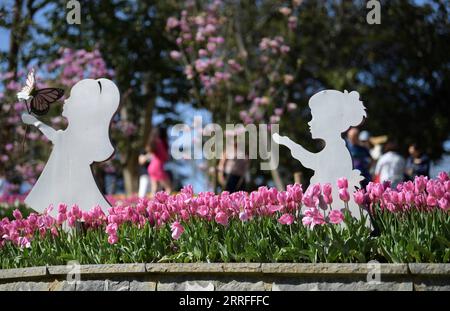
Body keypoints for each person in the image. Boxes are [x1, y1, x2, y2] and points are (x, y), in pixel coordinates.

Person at [21, 78, 119, 217]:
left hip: (76, 184)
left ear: (82, 107)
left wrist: (35, 122)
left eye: (71, 98)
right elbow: (55, 136)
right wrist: (35, 122)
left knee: (79, 211)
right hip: (69, 185)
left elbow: (54, 136)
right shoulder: (69, 136)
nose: (65, 100)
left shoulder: (78, 137)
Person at [273, 90, 367, 218]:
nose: (309, 122)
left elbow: (313, 162)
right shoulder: (335, 146)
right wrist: (289, 143)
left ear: (329, 121)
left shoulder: (337, 149)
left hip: (336, 208)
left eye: (313, 117)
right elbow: (314, 161)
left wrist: (289, 144)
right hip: (330, 204)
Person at [146, 127, 172, 195]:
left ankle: (151, 204)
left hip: (151, 167)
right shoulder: (160, 143)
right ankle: (168, 204)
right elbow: (165, 157)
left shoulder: (153, 142)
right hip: (158, 168)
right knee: (168, 188)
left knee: (154, 189)